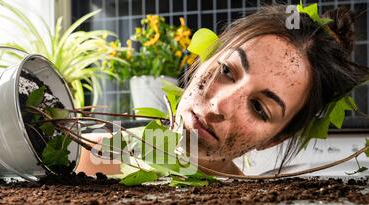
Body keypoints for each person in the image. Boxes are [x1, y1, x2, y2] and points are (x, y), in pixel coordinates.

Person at [76, 4, 369, 177]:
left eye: (259, 108)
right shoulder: (96, 152)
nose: (219, 105)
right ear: (206, 57)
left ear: (274, 138)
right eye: (227, 71)